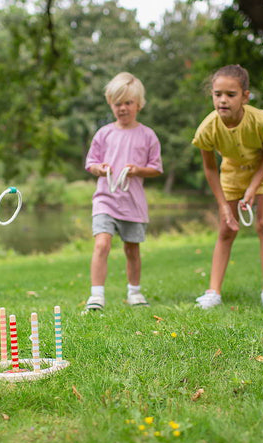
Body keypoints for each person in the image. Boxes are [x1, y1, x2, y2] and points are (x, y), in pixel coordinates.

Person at [192, 64, 263, 310]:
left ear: (245, 96)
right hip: (232, 172)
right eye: (217, 94)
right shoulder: (207, 128)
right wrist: (223, 205)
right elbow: (210, 168)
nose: (223, 100)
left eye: (230, 95)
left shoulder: (260, 120)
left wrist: (253, 188)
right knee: (226, 229)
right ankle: (213, 292)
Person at [83, 72, 163, 313]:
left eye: (128, 103)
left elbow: (156, 168)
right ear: (111, 104)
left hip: (133, 203)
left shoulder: (148, 135)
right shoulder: (104, 133)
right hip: (105, 200)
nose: (123, 108)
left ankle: (134, 292)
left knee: (132, 249)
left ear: (139, 104)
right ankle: (96, 295)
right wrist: (99, 168)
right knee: (102, 244)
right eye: (118, 103)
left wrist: (138, 170)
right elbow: (91, 163)